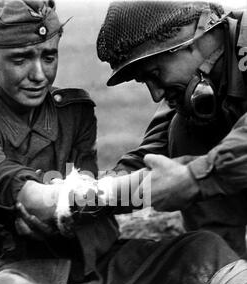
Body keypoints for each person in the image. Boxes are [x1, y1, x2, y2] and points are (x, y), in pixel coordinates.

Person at [0, 0, 238, 284]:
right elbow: (38, 198)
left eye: (48, 56)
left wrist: (95, 203)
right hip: (9, 277)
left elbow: (90, 207)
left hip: (89, 277)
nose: (38, 74)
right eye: (20, 59)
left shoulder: (74, 113)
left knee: (201, 250)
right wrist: (152, 186)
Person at [97, 0, 247, 256]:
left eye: (155, 73)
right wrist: (80, 197)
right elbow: (149, 160)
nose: (156, 95)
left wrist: (192, 179)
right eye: (145, 81)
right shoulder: (191, 96)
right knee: (183, 132)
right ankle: (230, 279)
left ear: (199, 36)